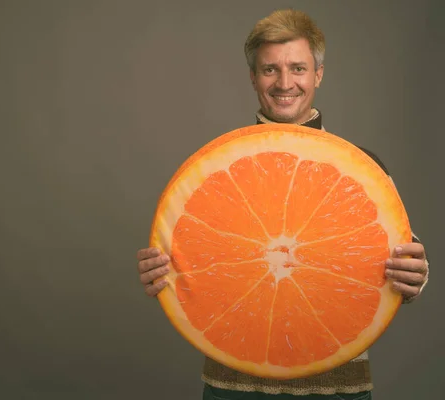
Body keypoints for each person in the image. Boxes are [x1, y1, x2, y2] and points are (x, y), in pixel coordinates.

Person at [135, 8, 430, 400]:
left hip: (338, 389)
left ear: (318, 75)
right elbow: (206, 260)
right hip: (232, 387)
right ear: (253, 78)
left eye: (298, 68)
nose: (285, 82)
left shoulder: (364, 169)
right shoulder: (215, 171)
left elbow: (400, 259)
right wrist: (162, 269)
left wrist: (416, 278)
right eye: (270, 69)